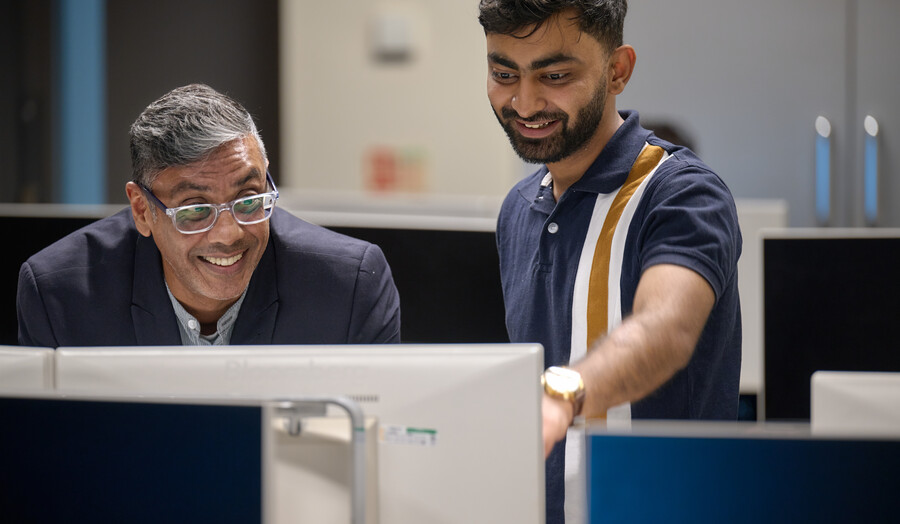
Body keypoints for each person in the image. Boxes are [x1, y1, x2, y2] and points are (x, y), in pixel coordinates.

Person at [478, 1, 742, 523]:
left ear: (617, 70)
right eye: (503, 73)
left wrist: (563, 396)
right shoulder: (517, 209)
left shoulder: (682, 193)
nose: (525, 102)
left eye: (554, 75)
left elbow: (664, 328)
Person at [17, 84, 401, 347]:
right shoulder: (61, 295)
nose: (230, 233)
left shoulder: (348, 286)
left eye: (248, 198)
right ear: (142, 210)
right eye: (196, 210)